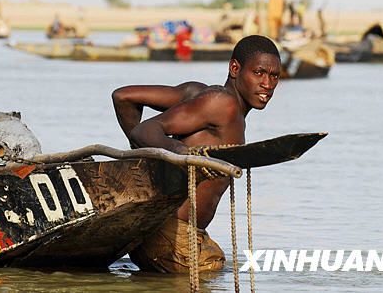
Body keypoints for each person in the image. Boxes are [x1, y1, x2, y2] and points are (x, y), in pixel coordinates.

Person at [112, 35, 281, 273]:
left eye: (274, 76)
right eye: (259, 73)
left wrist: (154, 160)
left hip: (156, 229)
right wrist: (182, 155)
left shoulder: (199, 93)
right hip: (174, 236)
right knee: (219, 274)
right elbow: (145, 130)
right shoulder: (222, 103)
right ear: (235, 68)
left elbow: (123, 97)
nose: (267, 84)